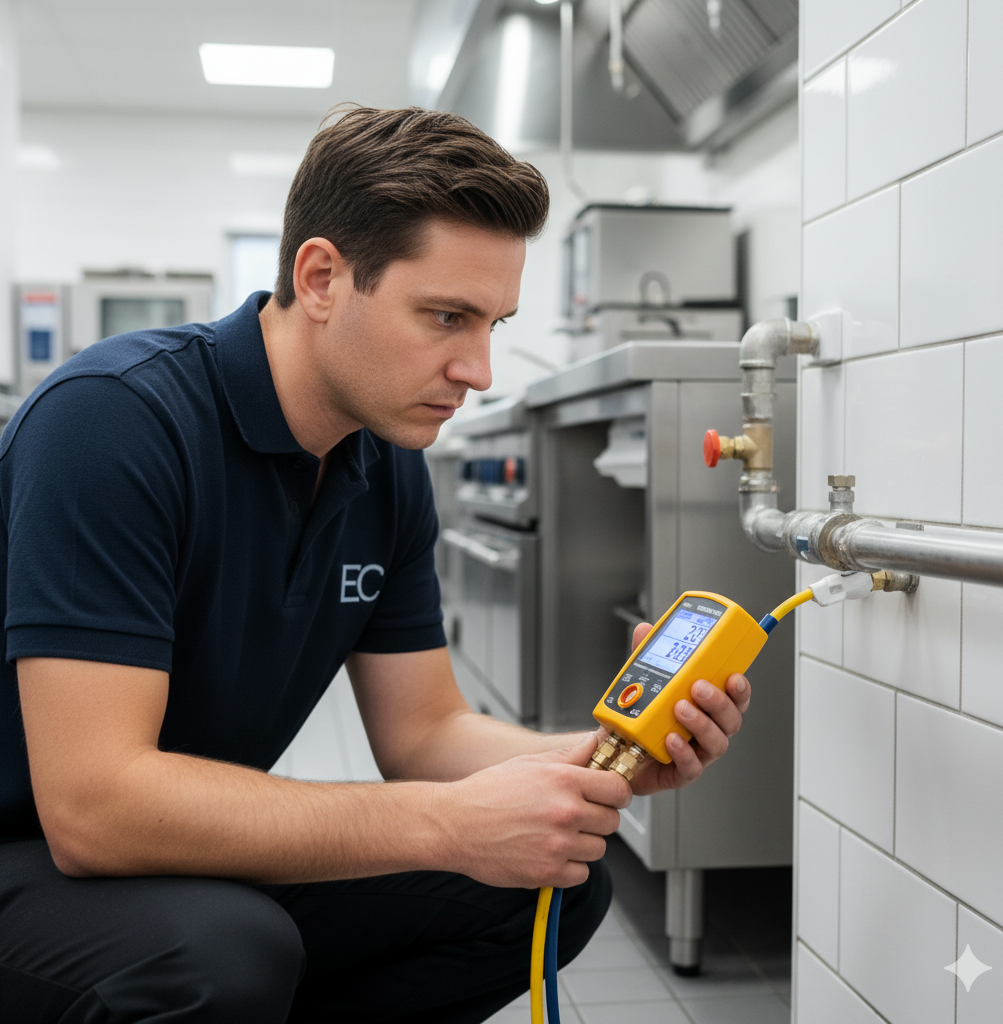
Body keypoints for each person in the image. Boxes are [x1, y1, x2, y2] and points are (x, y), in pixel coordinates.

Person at [0, 106, 752, 1023]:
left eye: (494, 324)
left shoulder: (384, 468)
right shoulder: (113, 423)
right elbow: (94, 808)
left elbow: (424, 735)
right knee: (225, 955)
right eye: (445, 316)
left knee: (549, 886)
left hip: (174, 846)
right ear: (321, 277)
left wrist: (599, 758)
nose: (478, 369)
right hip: (32, 846)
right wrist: (449, 824)